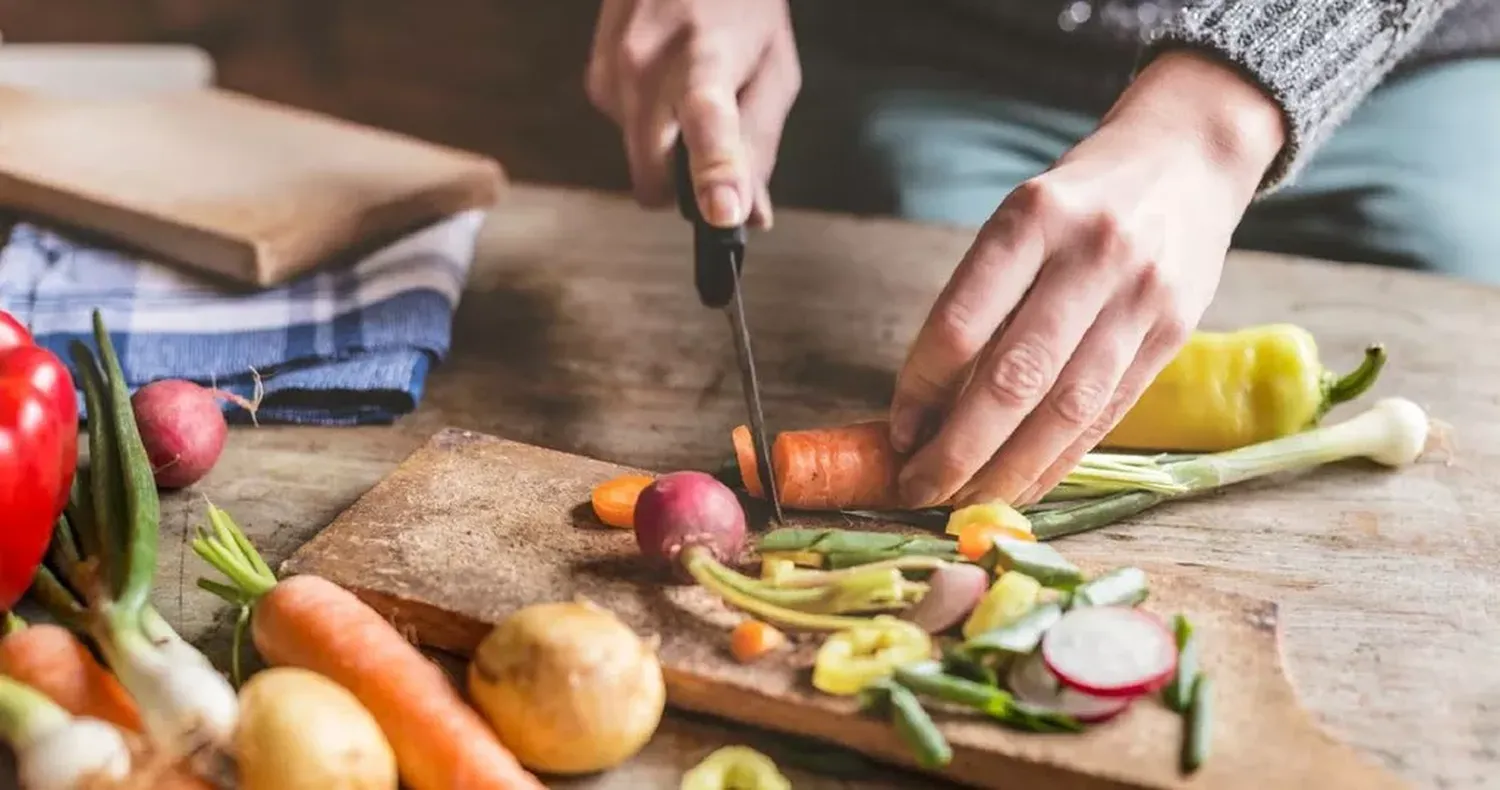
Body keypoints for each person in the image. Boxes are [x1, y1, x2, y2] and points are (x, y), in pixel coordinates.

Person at [583, 0, 1498, 510]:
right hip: (952, 57)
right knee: (950, 346)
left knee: (1459, 280)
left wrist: (1214, 121)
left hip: (1390, 64)